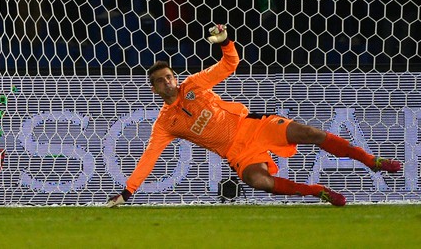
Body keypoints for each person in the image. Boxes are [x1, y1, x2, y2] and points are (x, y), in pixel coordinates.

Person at [107, 24, 401, 207]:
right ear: (154, 88)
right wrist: (128, 192)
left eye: (170, 76)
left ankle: (371, 161)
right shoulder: (164, 123)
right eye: (161, 80)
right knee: (258, 182)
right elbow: (149, 157)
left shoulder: (194, 84)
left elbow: (229, 64)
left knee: (310, 133)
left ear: (176, 77)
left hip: (254, 126)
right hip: (236, 152)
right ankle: (317, 191)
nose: (168, 82)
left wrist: (225, 42)